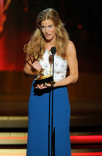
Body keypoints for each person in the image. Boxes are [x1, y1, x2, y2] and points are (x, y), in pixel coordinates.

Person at [23, 8, 78, 156]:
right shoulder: (34, 45)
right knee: (38, 135)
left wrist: (53, 85)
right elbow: (26, 71)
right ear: (39, 28)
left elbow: (74, 76)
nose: (46, 30)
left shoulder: (68, 46)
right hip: (38, 96)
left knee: (59, 136)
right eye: (43, 26)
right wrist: (34, 69)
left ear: (57, 26)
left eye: (50, 26)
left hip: (59, 95)